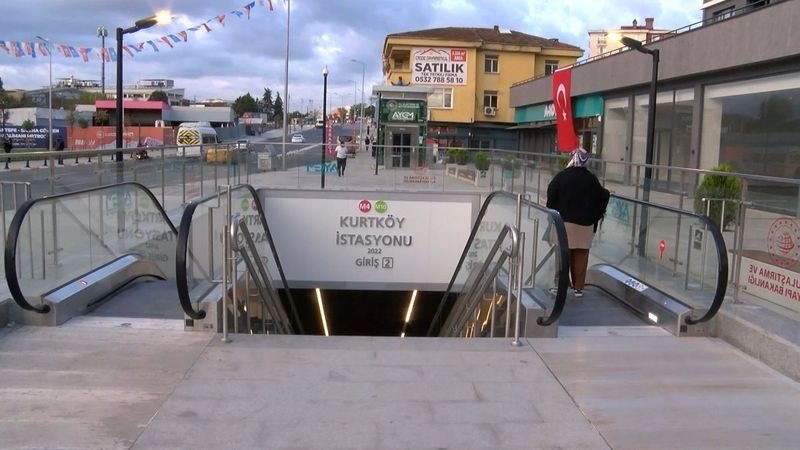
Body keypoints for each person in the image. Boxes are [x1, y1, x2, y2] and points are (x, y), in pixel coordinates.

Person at [546, 148, 610, 297]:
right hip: (584, 226)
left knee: (562, 256)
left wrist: (556, 210)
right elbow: (603, 196)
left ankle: (560, 285)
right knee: (581, 257)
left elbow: (551, 195)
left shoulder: (562, 176)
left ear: (572, 159)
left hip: (564, 224)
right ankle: (578, 288)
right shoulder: (591, 179)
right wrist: (596, 213)